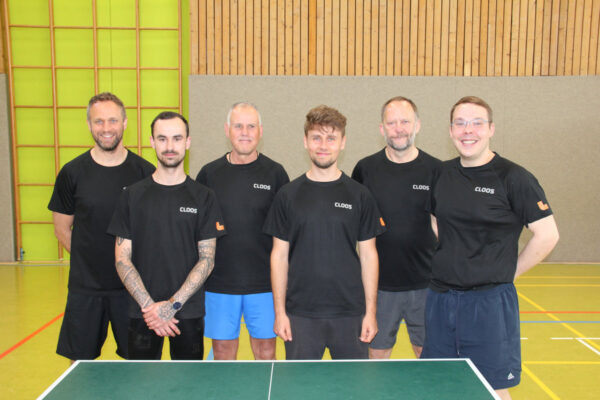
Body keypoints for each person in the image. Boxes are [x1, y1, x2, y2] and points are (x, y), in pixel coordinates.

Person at [422, 96, 559, 399]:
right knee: (439, 383)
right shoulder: (441, 173)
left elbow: (547, 235)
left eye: (476, 123)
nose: (468, 130)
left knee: (492, 389)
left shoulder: (514, 177)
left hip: (489, 304)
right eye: (460, 123)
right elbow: (435, 219)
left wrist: (509, 272)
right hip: (441, 300)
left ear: (491, 129)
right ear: (451, 130)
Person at [264, 105, 386, 360]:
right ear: (305, 141)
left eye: (331, 138)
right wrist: (280, 313)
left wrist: (371, 313)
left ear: (343, 142)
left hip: (350, 313)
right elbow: (279, 256)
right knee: (302, 383)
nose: (323, 145)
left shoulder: (360, 195)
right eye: (316, 137)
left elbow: (368, 256)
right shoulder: (287, 195)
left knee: (353, 383)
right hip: (300, 315)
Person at [107, 111, 226, 360]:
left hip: (187, 312)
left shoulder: (204, 196)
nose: (169, 146)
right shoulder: (131, 196)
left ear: (188, 142)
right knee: (143, 382)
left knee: (188, 382)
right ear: (152, 142)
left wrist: (173, 305)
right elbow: (121, 259)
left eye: (176, 138)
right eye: (162, 139)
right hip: (142, 313)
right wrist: (150, 308)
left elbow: (207, 260)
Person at [48, 92, 155, 361]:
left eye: (113, 120)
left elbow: (153, 232)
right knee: (79, 365)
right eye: (99, 121)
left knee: (140, 365)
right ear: (89, 125)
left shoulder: (145, 173)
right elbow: (62, 229)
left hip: (132, 290)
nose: (106, 128)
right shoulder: (72, 173)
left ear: (125, 123)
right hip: (86, 288)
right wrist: (90, 262)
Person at [196, 102, 289, 360]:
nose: (245, 132)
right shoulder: (208, 174)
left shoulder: (276, 174)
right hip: (219, 282)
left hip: (265, 283)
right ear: (227, 130)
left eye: (251, 126)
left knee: (266, 350)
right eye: (238, 126)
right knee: (222, 351)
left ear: (260, 131)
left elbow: (286, 232)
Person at [352, 96, 441, 359]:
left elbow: (445, 226)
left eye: (405, 122)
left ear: (417, 125)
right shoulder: (365, 169)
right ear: (382, 128)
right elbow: (355, 227)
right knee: (376, 359)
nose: (399, 129)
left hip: (426, 285)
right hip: (379, 288)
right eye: (392, 123)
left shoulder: (437, 170)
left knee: (428, 357)